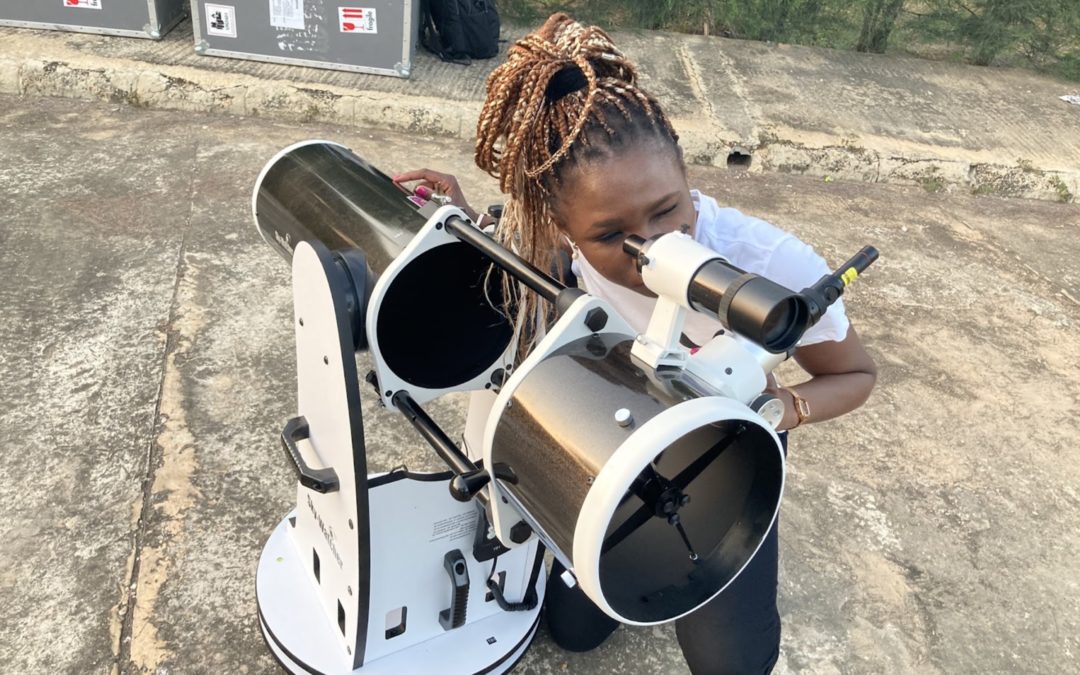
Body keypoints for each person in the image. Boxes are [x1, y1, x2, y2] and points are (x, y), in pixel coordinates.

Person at [394, 13, 877, 674]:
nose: (651, 245)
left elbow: (855, 375)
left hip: (728, 429)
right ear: (561, 225)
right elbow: (521, 268)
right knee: (575, 628)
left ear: (685, 174)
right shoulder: (552, 240)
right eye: (612, 233)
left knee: (728, 661)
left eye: (667, 210)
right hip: (619, 419)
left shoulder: (771, 266)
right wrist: (464, 221)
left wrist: (784, 408)